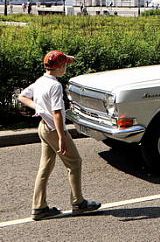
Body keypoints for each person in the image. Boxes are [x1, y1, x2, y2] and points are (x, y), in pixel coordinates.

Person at [17, 51, 101, 221]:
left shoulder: (40, 81)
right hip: (54, 130)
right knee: (74, 162)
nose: (66, 69)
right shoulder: (55, 86)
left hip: (43, 128)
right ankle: (78, 203)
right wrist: (62, 137)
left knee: (45, 167)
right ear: (60, 66)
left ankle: (39, 207)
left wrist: (38, 108)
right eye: (65, 65)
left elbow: (22, 96)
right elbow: (56, 113)